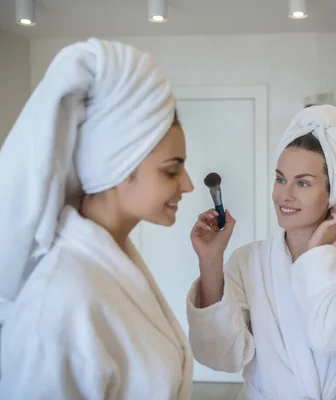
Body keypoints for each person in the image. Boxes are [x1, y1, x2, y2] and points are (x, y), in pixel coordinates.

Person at [0, 38, 195, 399]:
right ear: (118, 168)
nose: (188, 184)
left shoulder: (112, 264)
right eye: (171, 172)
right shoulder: (57, 305)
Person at [186, 105, 336, 400]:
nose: (284, 195)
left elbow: (333, 338)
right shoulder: (249, 260)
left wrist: (317, 254)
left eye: (302, 183)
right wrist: (210, 260)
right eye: (280, 179)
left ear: (332, 192)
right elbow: (220, 356)